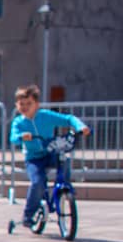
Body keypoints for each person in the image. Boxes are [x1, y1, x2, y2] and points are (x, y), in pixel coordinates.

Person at [10, 84, 89, 228]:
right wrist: (22, 136)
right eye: (21, 104)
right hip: (34, 158)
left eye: (29, 103)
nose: (25, 107)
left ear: (37, 104)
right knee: (37, 182)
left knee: (64, 158)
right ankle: (28, 215)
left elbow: (69, 119)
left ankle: (65, 186)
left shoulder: (45, 116)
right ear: (16, 105)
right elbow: (13, 137)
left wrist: (80, 127)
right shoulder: (19, 122)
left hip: (50, 152)